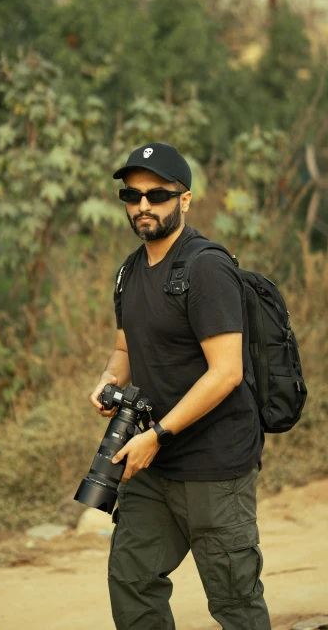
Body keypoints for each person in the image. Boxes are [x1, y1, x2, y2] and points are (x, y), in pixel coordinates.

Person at [89, 142, 271, 630]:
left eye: (158, 194)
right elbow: (126, 347)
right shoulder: (130, 271)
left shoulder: (205, 268)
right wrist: (108, 378)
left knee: (234, 601)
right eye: (132, 194)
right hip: (153, 463)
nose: (143, 205)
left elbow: (226, 371)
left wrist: (158, 435)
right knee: (132, 581)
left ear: (184, 200)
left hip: (213, 464)